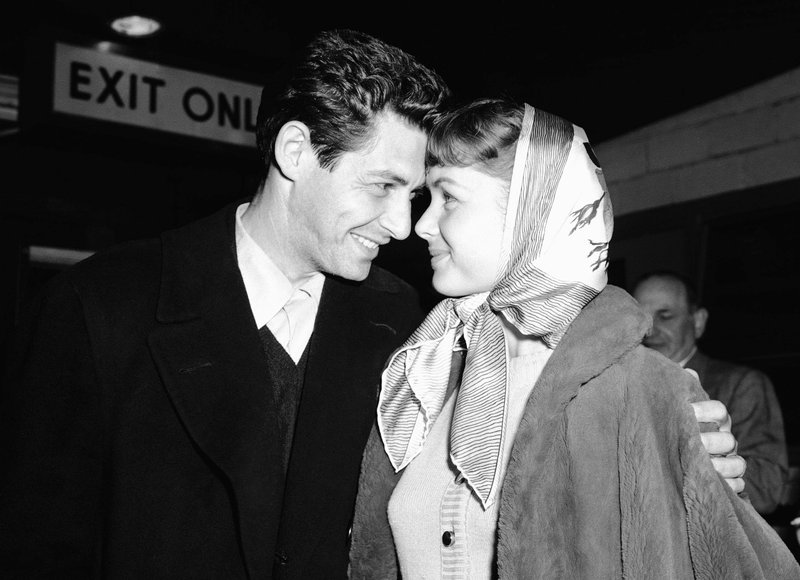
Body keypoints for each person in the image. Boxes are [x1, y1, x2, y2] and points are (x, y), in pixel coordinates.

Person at [0, 30, 742, 579]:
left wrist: (672, 444)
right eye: (383, 186)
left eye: (418, 195)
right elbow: (38, 543)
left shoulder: (404, 324)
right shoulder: (99, 307)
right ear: (296, 154)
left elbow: (521, 433)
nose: (401, 226)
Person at [348, 98, 799, 578]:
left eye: (449, 197)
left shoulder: (641, 387)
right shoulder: (424, 374)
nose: (421, 224)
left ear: (532, 214)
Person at [632, 270, 789, 515]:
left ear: (698, 322)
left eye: (665, 316)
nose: (649, 330)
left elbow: (768, 487)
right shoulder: (621, 388)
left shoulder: (742, 384)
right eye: (641, 318)